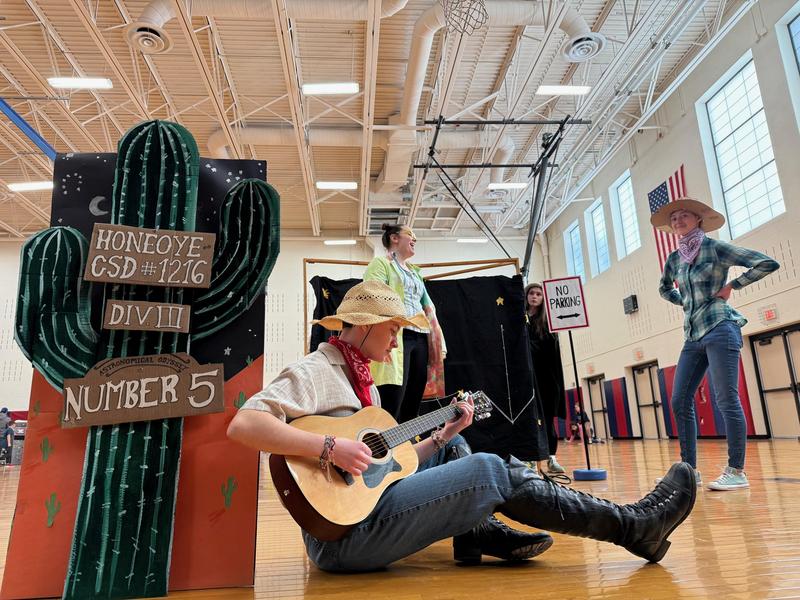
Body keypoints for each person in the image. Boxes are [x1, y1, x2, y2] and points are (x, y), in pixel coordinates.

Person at [228, 280, 697, 572]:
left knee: (455, 448)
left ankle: (476, 534)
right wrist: (329, 447)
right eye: (393, 330)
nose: (396, 343)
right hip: (342, 539)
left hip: (365, 514)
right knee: (488, 469)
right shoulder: (318, 369)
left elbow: (386, 470)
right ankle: (633, 526)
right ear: (366, 325)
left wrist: (440, 436)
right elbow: (244, 424)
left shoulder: (361, 382)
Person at [652, 197, 779, 491]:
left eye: (684, 216)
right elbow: (664, 288)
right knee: (679, 399)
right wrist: (684, 301)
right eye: (674, 218)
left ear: (698, 219)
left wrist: (733, 285)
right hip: (692, 334)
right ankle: (689, 471)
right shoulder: (674, 259)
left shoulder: (715, 248)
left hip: (721, 326)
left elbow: (766, 263)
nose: (678, 221)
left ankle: (736, 471)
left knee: (726, 399)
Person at [363, 224, 446, 423]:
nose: (414, 239)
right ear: (394, 238)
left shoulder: (416, 273)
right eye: (410, 234)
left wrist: (437, 338)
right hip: (396, 336)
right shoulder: (381, 263)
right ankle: (384, 438)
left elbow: (428, 307)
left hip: (421, 335)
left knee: (413, 396)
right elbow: (373, 294)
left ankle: (407, 440)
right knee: (393, 395)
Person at [525, 283, 567, 474]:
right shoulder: (521, 318)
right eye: (531, 293)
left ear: (543, 299)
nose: (534, 296)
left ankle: (551, 457)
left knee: (547, 420)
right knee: (529, 418)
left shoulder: (547, 322)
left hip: (545, 378)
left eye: (538, 294)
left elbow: (549, 351)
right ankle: (530, 457)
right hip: (527, 376)